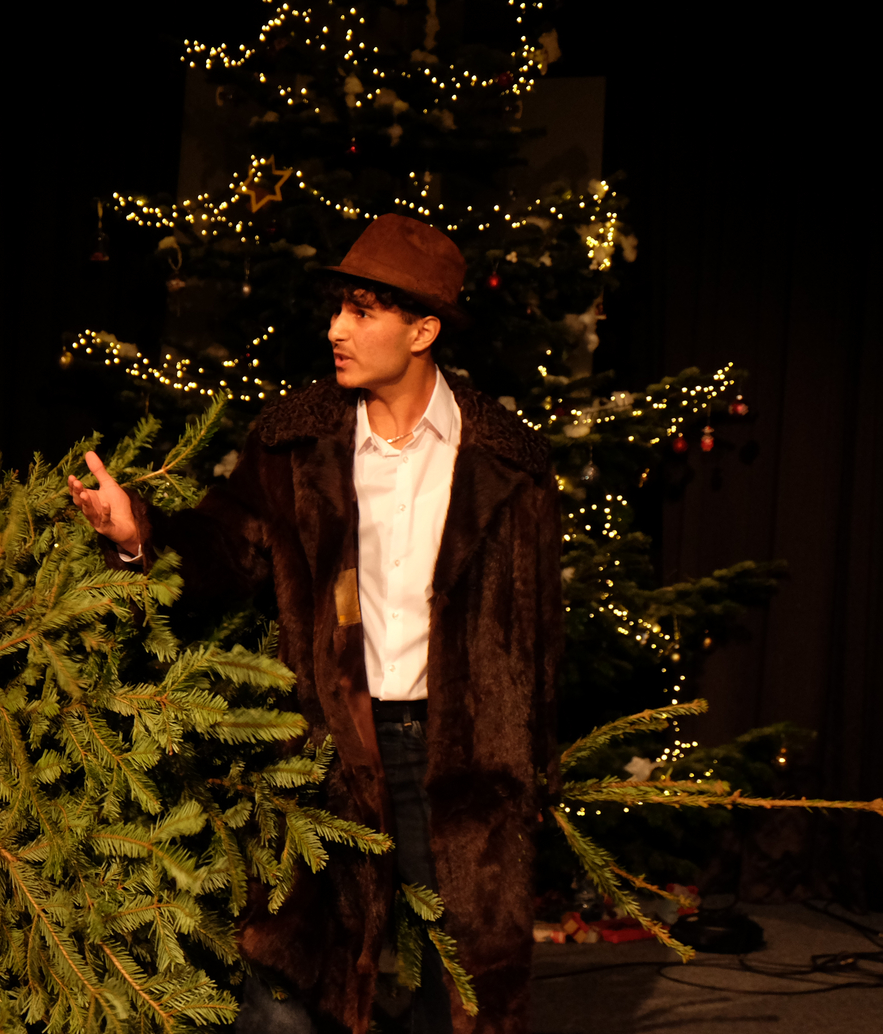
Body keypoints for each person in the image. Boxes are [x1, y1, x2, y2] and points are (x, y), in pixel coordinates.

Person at [69, 214, 562, 1034]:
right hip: (331, 741)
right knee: (304, 972)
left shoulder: (506, 462)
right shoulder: (295, 443)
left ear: (422, 331)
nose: (336, 329)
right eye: (338, 309)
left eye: (362, 312)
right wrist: (136, 535)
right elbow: (227, 550)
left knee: (463, 982)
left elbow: (537, 632)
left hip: (460, 751)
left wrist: (531, 770)